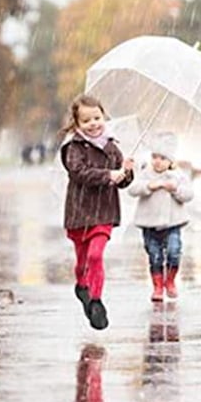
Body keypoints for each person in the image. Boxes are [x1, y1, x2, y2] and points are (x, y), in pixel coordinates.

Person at [60, 93, 134, 330]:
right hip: (80, 211)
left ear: (104, 116)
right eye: (86, 120)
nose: (93, 124)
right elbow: (78, 172)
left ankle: (97, 301)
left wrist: (126, 172)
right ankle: (82, 285)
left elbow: (121, 182)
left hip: (103, 212)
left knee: (95, 255)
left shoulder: (112, 147)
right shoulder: (73, 147)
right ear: (77, 123)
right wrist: (107, 175)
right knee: (83, 260)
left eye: (97, 118)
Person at [128, 132, 193, 301]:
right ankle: (157, 286)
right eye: (155, 157)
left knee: (174, 251)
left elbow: (188, 194)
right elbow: (133, 190)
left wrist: (175, 189)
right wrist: (149, 186)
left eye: (162, 158)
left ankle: (170, 281)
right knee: (154, 255)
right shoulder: (146, 173)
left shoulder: (178, 175)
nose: (157, 161)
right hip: (149, 224)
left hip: (173, 223)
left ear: (171, 161)